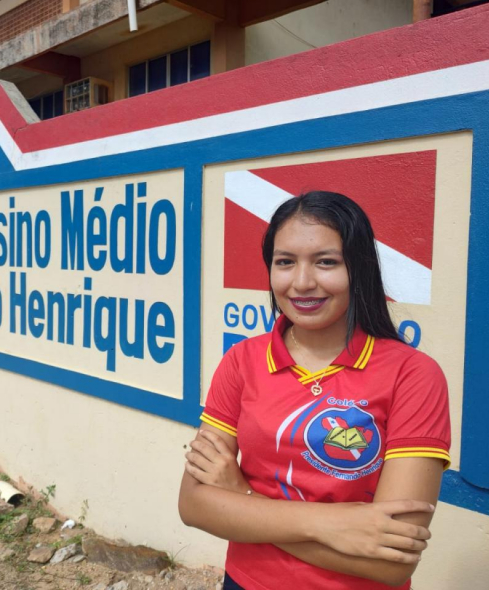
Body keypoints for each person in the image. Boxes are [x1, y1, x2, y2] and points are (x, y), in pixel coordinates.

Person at [178, 191, 451, 590]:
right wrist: (334, 525)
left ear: (359, 268)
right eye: (285, 262)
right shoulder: (242, 360)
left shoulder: (413, 375)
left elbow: (392, 565)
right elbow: (194, 505)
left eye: (326, 262)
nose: (302, 283)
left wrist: (243, 499)